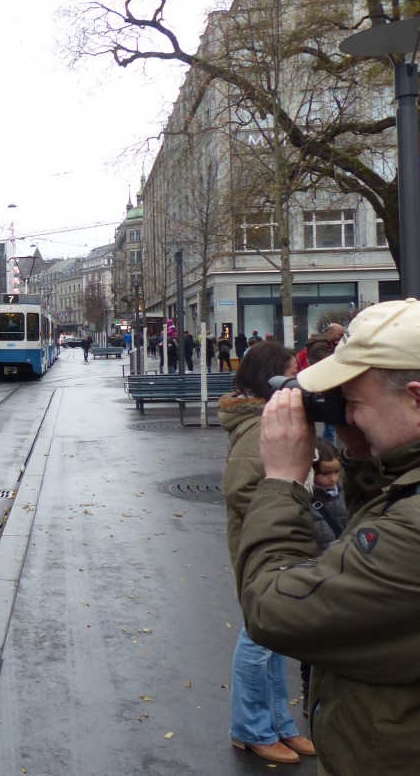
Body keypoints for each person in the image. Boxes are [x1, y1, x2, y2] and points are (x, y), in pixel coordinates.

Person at [239, 298, 420, 774]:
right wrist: (361, 446)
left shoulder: (412, 535)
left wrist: (281, 480)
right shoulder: (406, 499)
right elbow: (379, 517)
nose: (348, 417)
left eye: (354, 402)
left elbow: (271, 607)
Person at [218, 340, 315, 764]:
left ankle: (279, 723)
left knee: (274, 636)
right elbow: (239, 488)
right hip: (263, 546)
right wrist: (287, 505)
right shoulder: (259, 425)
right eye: (292, 370)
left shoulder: (271, 417)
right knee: (258, 637)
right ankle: (251, 727)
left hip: (278, 539)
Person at [298, 438, 347, 710]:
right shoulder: (306, 500)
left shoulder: (342, 494)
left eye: (336, 472)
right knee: (313, 649)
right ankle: (310, 697)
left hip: (341, 575)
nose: (332, 479)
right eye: (325, 473)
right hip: (319, 575)